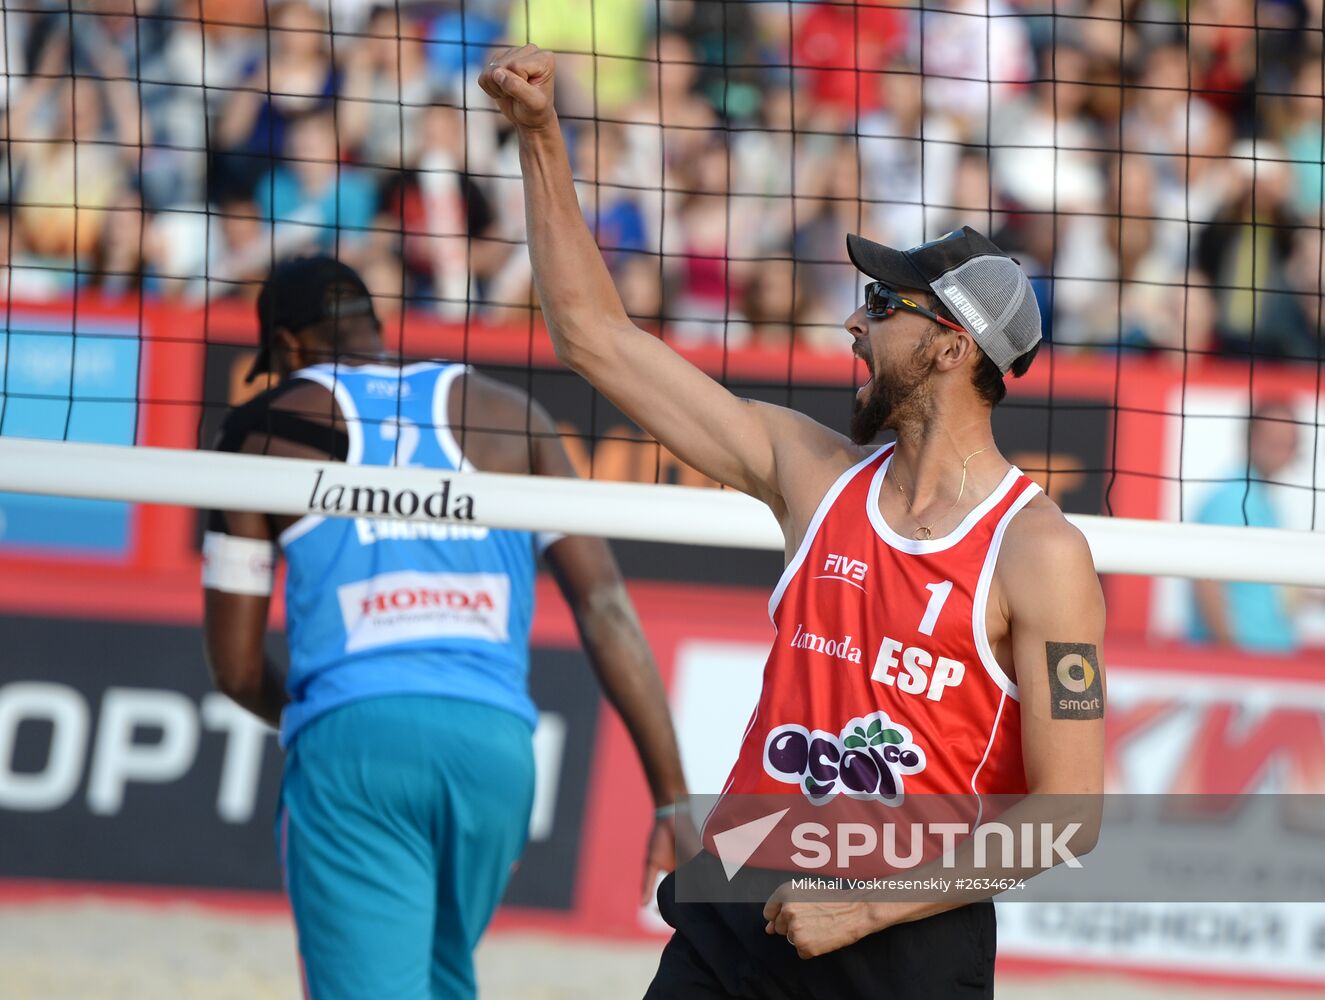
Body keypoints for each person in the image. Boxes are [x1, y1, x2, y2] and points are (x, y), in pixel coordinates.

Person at [480, 46, 1106, 999]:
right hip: (735, 918)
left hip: (901, 951)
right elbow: (591, 337)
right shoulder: (811, 473)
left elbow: (1069, 814)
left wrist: (866, 906)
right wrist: (539, 140)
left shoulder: (1039, 552)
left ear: (947, 346)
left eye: (878, 306)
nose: (852, 326)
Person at [200, 256, 688, 1000]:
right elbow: (605, 608)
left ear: (290, 349)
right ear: (374, 328)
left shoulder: (262, 429)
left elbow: (234, 670)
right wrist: (672, 798)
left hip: (357, 741)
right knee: (440, 982)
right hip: (496, 753)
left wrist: (320, 717)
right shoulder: (506, 412)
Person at [1189, 401, 1301, 653]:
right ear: (1251, 438)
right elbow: (1206, 579)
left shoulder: (1262, 499)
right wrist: (1231, 655)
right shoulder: (1234, 497)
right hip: (1243, 662)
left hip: (1267, 658)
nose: (1280, 446)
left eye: (1287, 439)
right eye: (1272, 438)